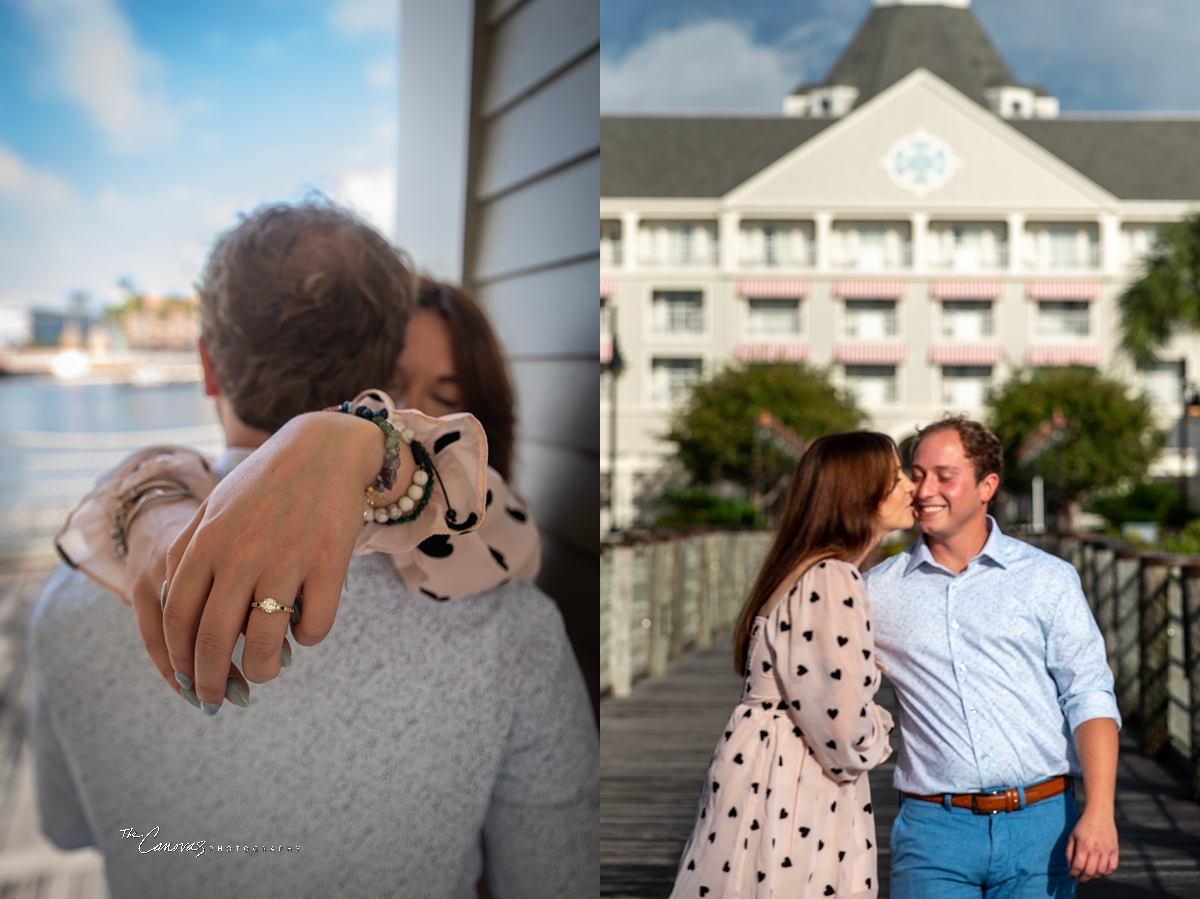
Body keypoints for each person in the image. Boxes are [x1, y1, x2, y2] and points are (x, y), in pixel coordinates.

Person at [32, 202, 597, 897]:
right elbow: (553, 876)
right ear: (387, 377)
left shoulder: (72, 595)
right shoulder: (510, 624)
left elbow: (66, 825)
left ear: (208, 365)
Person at [864, 417, 1120, 897]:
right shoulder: (876, 591)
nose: (924, 490)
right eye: (915, 474)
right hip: (932, 834)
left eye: (944, 475)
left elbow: (1088, 694)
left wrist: (1100, 811)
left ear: (987, 486)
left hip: (1043, 830)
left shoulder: (1048, 579)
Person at [670, 431, 913, 899]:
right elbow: (843, 737)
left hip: (764, 773)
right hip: (795, 787)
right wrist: (883, 725)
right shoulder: (832, 577)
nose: (910, 487)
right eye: (895, 476)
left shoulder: (803, 570)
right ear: (858, 492)